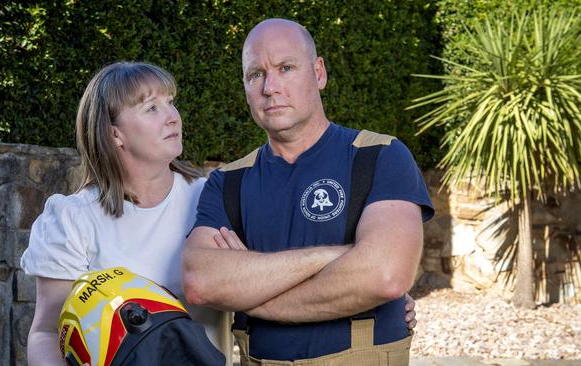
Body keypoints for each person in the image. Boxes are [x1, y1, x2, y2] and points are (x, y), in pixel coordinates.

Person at [182, 18, 434, 365]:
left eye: (286, 68)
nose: (270, 87)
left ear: (318, 73)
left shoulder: (380, 156)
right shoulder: (229, 181)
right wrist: (332, 256)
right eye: (256, 75)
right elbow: (201, 281)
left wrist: (247, 294)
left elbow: (386, 275)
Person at [20, 62, 233, 365]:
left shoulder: (210, 197)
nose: (173, 117)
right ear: (115, 134)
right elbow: (46, 332)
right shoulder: (71, 220)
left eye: (170, 103)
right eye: (151, 108)